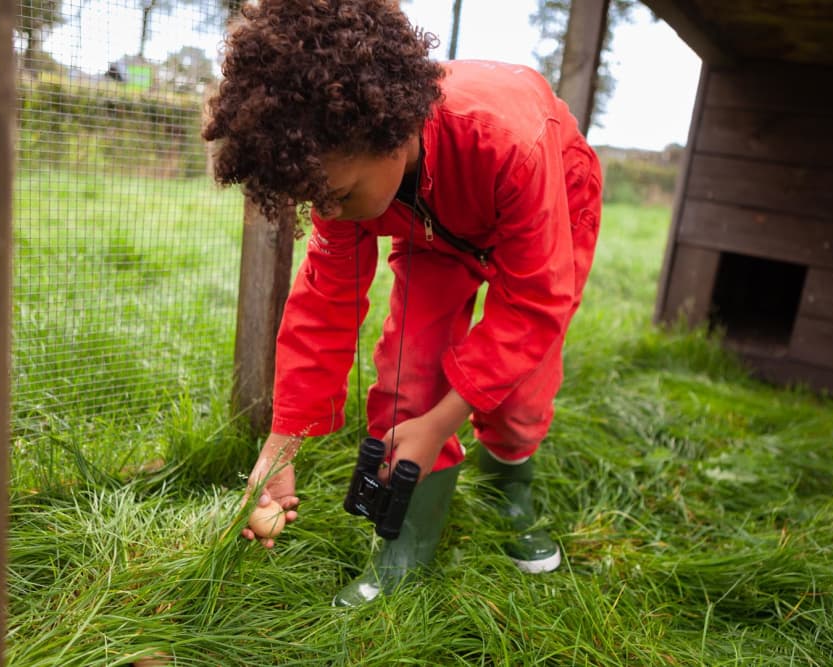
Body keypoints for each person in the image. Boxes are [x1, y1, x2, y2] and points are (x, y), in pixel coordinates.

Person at [202, 0, 602, 607]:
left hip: (545, 206)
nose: (326, 214)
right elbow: (323, 307)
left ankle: (509, 480)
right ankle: (403, 551)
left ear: (387, 133)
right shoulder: (340, 180)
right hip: (432, 231)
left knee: (522, 388)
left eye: (334, 196)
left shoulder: (506, 141)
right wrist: (282, 444)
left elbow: (535, 301)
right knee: (406, 376)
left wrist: (447, 420)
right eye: (315, 203)